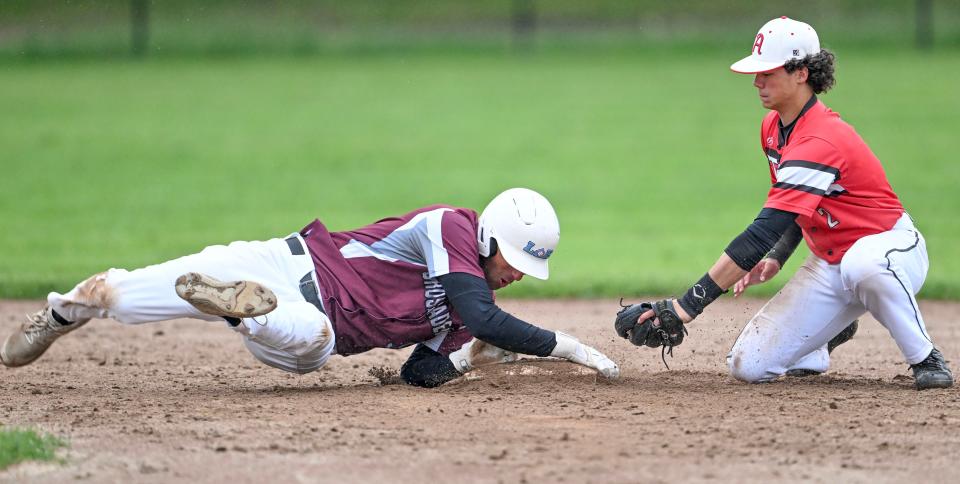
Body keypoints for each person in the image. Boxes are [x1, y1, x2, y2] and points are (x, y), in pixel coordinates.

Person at [614, 17, 952, 390]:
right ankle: (823, 339)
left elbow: (764, 229)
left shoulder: (821, 139)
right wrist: (778, 255)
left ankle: (925, 357)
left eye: (767, 73)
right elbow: (793, 209)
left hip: (889, 249)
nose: (757, 82)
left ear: (801, 73)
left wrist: (686, 306)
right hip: (831, 263)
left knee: (864, 266)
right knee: (749, 366)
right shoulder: (773, 128)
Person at [1, 188, 620, 387]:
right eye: (513, 258)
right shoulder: (448, 227)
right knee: (125, 294)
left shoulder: (468, 311)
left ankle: (246, 310)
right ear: (486, 236)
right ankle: (62, 313)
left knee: (307, 332)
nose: (516, 273)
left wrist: (468, 358)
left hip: (298, 307)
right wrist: (563, 346)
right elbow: (483, 316)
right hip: (278, 260)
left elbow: (420, 374)